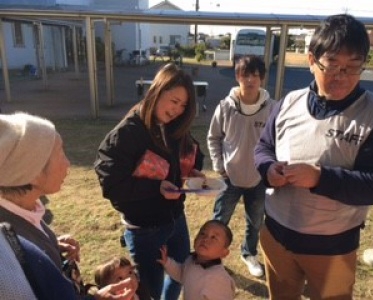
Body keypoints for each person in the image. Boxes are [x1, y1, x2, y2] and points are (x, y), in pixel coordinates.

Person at [254, 14, 373, 300]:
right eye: (332, 65)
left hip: (333, 248)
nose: (341, 76)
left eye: (353, 67)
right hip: (276, 236)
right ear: (312, 60)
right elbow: (263, 148)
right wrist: (268, 169)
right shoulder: (287, 103)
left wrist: (321, 178)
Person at [95, 63, 205, 300]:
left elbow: (193, 152)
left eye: (183, 105)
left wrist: (194, 170)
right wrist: (156, 188)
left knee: (180, 274)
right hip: (144, 230)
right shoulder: (128, 132)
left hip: (176, 218)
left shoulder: (174, 127)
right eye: (173, 101)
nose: (177, 110)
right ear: (156, 92)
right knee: (149, 290)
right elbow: (112, 183)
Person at [0, 112, 137, 299]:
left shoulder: (25, 211)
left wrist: (50, 247)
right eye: (60, 153)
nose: (68, 163)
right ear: (33, 173)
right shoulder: (12, 246)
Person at [207, 55, 275, 277]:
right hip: (229, 177)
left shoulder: (272, 108)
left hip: (258, 179)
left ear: (262, 78)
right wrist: (219, 166)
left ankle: (249, 254)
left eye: (256, 75)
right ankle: (211, 256)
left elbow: (279, 140)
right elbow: (213, 137)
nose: (250, 80)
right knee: (219, 220)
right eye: (246, 74)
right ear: (238, 77)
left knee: (255, 221)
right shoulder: (226, 107)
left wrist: (269, 169)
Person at [157, 220, 235, 300]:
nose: (205, 239)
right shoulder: (191, 260)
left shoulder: (219, 280)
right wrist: (167, 262)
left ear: (224, 253)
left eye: (214, 237)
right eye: (202, 233)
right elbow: (182, 274)